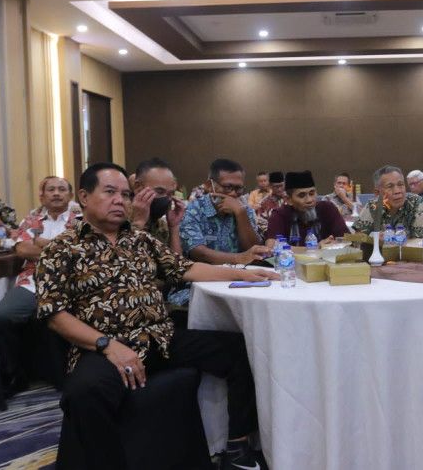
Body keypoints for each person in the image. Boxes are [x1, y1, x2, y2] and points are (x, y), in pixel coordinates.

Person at [35, 162, 278, 470]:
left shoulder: (141, 240)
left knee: (241, 351)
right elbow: (54, 315)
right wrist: (107, 345)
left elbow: (185, 268)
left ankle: (237, 448)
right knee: (84, 393)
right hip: (104, 346)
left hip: (160, 338)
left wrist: (243, 272)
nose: (119, 201)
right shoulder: (60, 249)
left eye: (125, 194)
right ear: (84, 197)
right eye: (109, 192)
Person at [0, 176, 79, 395]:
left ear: (70, 195)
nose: (56, 193)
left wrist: (41, 246)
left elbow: (81, 252)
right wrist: (61, 249)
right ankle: (14, 374)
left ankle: (69, 373)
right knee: (1, 316)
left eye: (62, 189)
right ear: (42, 196)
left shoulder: (81, 220)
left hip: (70, 281)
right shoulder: (32, 220)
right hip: (32, 281)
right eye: (51, 189)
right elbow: (22, 249)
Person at [180, 159, 270, 265]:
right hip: (205, 273)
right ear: (209, 186)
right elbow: (198, 253)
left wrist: (240, 213)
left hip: (242, 273)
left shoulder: (244, 209)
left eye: (239, 188)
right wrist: (239, 258)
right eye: (227, 187)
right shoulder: (194, 209)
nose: (233, 194)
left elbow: (254, 250)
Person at [265, 171, 350, 247]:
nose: (309, 200)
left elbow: (347, 240)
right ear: (288, 200)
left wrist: (335, 243)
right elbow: (271, 247)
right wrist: (315, 248)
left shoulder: (327, 209)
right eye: (302, 195)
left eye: (312, 193)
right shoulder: (280, 215)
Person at [129, 158, 186, 255]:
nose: (166, 199)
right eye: (159, 192)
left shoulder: (160, 224)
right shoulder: (118, 220)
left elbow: (176, 262)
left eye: (170, 194)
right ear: (138, 188)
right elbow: (125, 261)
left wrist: (174, 227)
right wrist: (138, 223)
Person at [353, 165, 423, 238]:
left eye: (400, 184)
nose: (397, 191)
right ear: (378, 192)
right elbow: (357, 238)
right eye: (390, 186)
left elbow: (421, 239)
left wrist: (392, 239)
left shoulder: (415, 202)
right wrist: (374, 238)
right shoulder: (373, 205)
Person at [255, 171, 286, 237]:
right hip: (272, 236)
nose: (279, 189)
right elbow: (261, 222)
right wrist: (271, 234)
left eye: (281, 186)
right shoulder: (264, 202)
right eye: (276, 187)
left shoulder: (290, 199)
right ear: (270, 186)